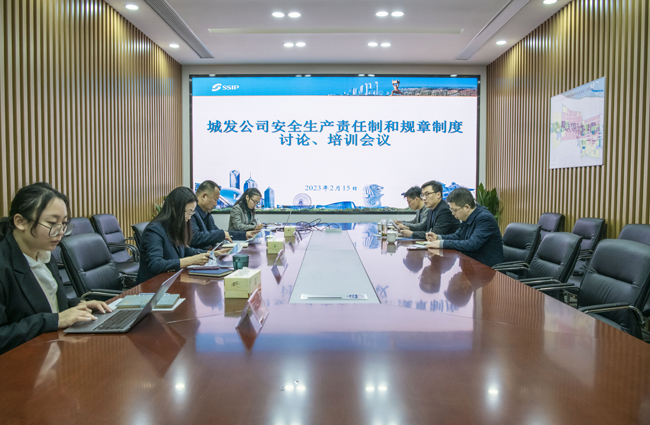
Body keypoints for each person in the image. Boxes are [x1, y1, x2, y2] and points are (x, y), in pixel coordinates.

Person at [0, 183, 111, 355]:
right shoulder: (4, 264)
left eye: (64, 223)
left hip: (51, 350)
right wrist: (55, 320)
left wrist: (78, 306)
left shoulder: (44, 253)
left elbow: (47, 304)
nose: (60, 232)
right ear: (20, 222)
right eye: (52, 223)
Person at [137, 187, 225, 284]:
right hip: (153, 286)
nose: (189, 217)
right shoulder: (154, 230)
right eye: (189, 212)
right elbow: (156, 264)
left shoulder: (174, 226)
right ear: (175, 209)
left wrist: (210, 254)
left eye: (192, 212)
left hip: (171, 281)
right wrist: (191, 260)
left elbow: (185, 250)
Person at [425, 187, 504, 267]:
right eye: (451, 210)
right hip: (472, 265)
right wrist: (438, 237)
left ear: (467, 207)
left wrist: (442, 244)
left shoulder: (485, 219)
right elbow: (458, 236)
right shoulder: (467, 216)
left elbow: (472, 244)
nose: (453, 213)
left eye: (454, 210)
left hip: (488, 268)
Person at [190, 180, 259, 249]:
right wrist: (221, 234)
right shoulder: (190, 212)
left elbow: (220, 233)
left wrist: (244, 235)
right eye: (215, 200)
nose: (216, 204)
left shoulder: (207, 214)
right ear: (204, 196)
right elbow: (194, 237)